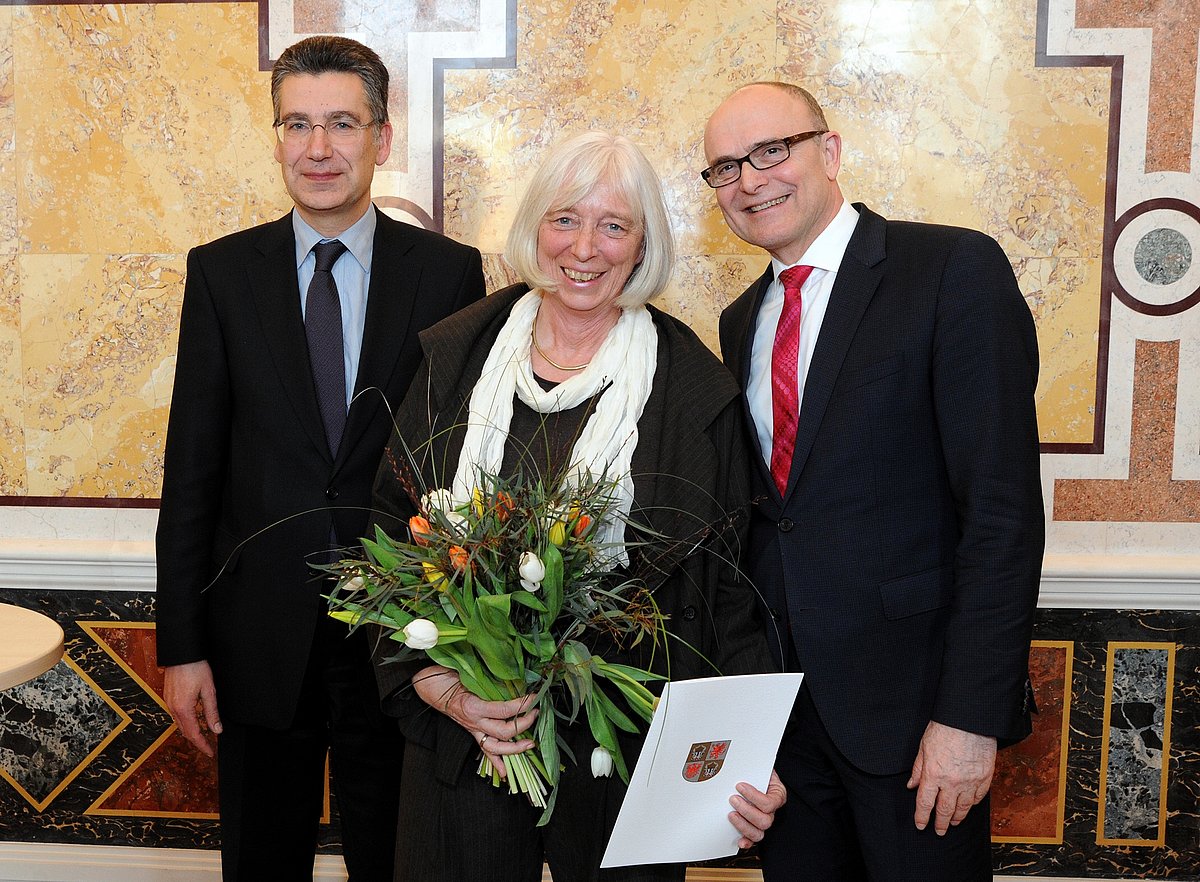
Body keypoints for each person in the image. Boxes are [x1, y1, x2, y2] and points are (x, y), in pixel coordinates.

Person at [370, 131, 786, 882]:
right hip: (465, 737)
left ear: (642, 245)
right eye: (565, 219)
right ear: (536, 228)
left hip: (624, 748)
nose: (585, 247)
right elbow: (393, 537)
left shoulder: (695, 390)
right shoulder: (455, 358)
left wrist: (746, 758)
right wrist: (437, 685)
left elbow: (726, 596)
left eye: (613, 225)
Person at [155, 35, 485, 880]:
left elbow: (463, 462)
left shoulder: (448, 274)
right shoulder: (222, 274)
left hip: (405, 638)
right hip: (258, 638)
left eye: (342, 123)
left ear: (381, 136)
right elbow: (191, 472)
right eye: (297, 124)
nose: (318, 148)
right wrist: (181, 647)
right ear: (276, 139)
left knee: (399, 860)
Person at [703, 82, 1045, 881]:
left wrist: (969, 718)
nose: (750, 180)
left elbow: (1000, 512)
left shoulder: (950, 269)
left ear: (830, 151)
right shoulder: (741, 319)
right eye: (725, 167)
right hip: (788, 730)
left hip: (918, 724)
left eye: (771, 151)